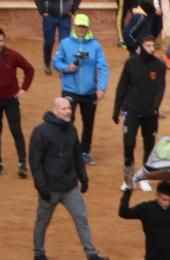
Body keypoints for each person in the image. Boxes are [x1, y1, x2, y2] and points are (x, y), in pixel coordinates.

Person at [29, 96, 108, 260]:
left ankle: (92, 256)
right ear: (54, 110)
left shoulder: (71, 129)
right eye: (64, 109)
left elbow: (77, 155)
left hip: (70, 186)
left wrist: (83, 178)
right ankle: (39, 254)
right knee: (42, 221)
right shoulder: (41, 131)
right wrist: (41, 187)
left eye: (69, 109)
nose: (67, 112)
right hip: (49, 188)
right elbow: (35, 162)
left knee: (81, 219)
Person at [52, 12, 108, 164]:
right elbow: (56, 62)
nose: (81, 29)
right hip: (70, 90)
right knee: (67, 120)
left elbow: (103, 67)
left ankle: (84, 152)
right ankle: (67, 150)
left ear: (88, 27)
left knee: (88, 123)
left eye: (84, 26)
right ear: (74, 26)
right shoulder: (65, 44)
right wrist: (66, 67)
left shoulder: (95, 46)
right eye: (79, 26)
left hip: (90, 91)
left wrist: (101, 88)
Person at [110, 34, 163, 178]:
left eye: (153, 46)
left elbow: (160, 88)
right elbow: (122, 87)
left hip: (149, 113)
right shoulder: (131, 63)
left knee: (149, 145)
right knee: (128, 144)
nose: (151, 49)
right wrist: (116, 109)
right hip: (132, 111)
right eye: (148, 46)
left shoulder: (159, 65)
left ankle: (144, 177)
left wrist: (155, 107)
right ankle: (128, 178)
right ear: (141, 46)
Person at [0, 26, 35, 178]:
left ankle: (22, 164)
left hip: (10, 100)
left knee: (16, 131)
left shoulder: (13, 55)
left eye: (1, 40)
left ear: (4, 40)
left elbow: (29, 69)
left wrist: (23, 89)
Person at [36, 0, 78, 74]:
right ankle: (47, 63)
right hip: (49, 16)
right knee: (49, 41)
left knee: (65, 42)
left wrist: (73, 9)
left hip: (65, 17)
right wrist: (42, 10)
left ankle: (63, 66)